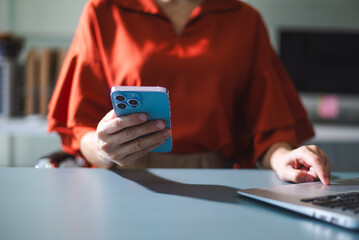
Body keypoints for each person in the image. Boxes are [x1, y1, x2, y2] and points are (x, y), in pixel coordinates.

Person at [47, 0, 330, 185]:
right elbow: (80, 127)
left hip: (217, 187)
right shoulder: (103, 11)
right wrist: (106, 150)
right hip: (124, 183)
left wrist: (282, 158)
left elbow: (268, 129)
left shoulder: (244, 20)